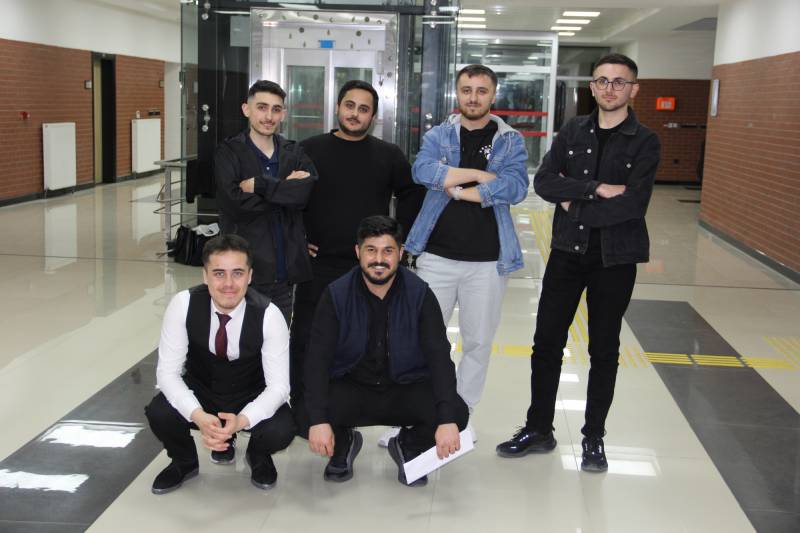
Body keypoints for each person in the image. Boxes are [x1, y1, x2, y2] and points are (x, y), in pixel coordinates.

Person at [496, 53, 661, 472]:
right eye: (602, 81)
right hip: (567, 252)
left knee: (603, 349)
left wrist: (574, 201)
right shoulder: (573, 130)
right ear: (592, 86)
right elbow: (543, 181)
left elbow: (633, 204)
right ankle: (539, 428)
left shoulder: (645, 141)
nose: (610, 88)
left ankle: (593, 438)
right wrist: (595, 188)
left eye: (619, 82)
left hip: (615, 258)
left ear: (634, 89)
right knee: (546, 343)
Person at [290, 80, 424, 435]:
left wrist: (397, 240)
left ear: (373, 116)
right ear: (338, 107)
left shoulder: (388, 155)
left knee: (361, 344)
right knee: (307, 339)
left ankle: (347, 417)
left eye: (364, 109)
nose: (355, 114)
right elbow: (286, 198)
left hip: (368, 271)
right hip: (319, 266)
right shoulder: (309, 150)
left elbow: (412, 193)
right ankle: (305, 414)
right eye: (349, 106)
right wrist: (297, 238)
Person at [404, 64, 529, 421]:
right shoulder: (439, 135)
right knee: (423, 338)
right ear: (457, 93)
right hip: (435, 257)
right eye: (466, 90)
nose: (473, 98)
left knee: (478, 342)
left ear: (493, 95)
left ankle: (461, 414)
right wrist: (478, 175)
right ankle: (416, 414)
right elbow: (422, 171)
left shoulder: (510, 140)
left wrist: (460, 191)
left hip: (488, 261)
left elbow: (516, 187)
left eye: (481, 91)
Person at [304, 216, 468, 486]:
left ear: (400, 253)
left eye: (387, 251)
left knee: (456, 413)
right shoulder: (336, 295)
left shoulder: (420, 295)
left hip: (404, 388)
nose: (379, 259)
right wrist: (319, 420)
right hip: (352, 388)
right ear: (358, 252)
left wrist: (447, 420)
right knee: (305, 412)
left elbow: (439, 358)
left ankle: (408, 444)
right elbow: (317, 361)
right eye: (371, 250)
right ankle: (343, 443)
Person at [145, 234, 295, 493]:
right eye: (218, 273)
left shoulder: (270, 316)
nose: (228, 284)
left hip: (250, 392)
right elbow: (167, 374)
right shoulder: (183, 305)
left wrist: (241, 421)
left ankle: (258, 455)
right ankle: (184, 461)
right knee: (160, 412)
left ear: (250, 276)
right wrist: (199, 416)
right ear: (205, 276)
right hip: (202, 390)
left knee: (283, 428)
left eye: (237, 273)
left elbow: (279, 388)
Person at [215, 80, 317, 324]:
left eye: (276, 109)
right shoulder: (229, 152)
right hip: (243, 274)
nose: (269, 116)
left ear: (284, 114)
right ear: (246, 109)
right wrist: (284, 193)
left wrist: (261, 186)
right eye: (262, 107)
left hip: (284, 276)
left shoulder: (293, 152)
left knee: (278, 340)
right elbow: (235, 204)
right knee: (240, 341)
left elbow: (304, 194)